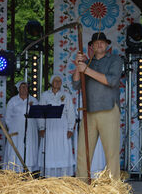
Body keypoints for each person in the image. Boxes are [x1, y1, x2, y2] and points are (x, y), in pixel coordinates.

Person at [72, 32, 122, 181]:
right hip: (89, 112)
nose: (99, 44)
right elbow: (75, 84)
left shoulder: (115, 59)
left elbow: (112, 81)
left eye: (102, 42)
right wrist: (78, 67)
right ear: (92, 46)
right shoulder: (88, 62)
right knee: (83, 152)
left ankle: (114, 186)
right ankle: (81, 184)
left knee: (111, 153)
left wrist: (86, 69)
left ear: (107, 45)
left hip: (108, 110)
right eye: (96, 42)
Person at [38, 74, 76, 177]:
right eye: (55, 80)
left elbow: (71, 113)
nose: (57, 83)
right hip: (49, 125)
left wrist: (70, 128)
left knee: (62, 149)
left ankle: (63, 175)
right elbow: (41, 112)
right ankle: (49, 175)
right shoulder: (45, 95)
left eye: (59, 81)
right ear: (51, 82)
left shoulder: (66, 96)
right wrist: (41, 127)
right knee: (50, 149)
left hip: (62, 126)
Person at [3, 81, 39, 172]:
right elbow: (8, 116)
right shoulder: (13, 100)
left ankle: (29, 169)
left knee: (29, 147)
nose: (24, 89)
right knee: (16, 147)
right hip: (16, 130)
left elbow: (38, 116)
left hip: (30, 129)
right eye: (22, 87)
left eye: (26, 87)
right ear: (18, 89)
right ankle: (15, 170)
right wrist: (11, 128)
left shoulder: (33, 100)